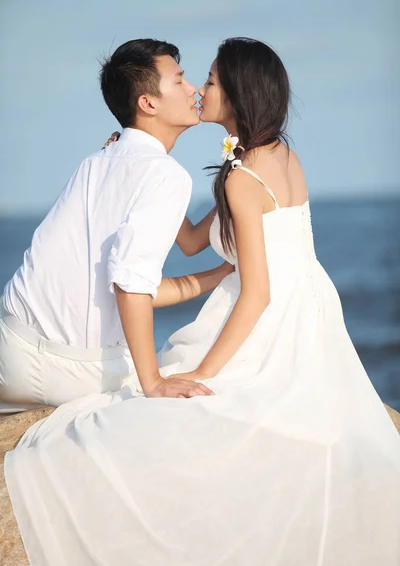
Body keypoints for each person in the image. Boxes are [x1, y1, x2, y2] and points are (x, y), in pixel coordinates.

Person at [5, 37, 400, 565]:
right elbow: (188, 248)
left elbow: (251, 290)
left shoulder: (228, 174)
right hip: (307, 308)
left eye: (208, 81)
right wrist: (133, 176)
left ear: (236, 93)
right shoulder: (275, 154)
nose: (198, 90)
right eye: (190, 79)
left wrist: (205, 376)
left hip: (260, 314)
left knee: (177, 408)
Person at [0, 38, 234, 413]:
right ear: (147, 103)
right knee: (211, 389)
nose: (193, 90)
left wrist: (224, 267)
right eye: (180, 80)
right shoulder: (163, 175)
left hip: (8, 343)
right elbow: (131, 284)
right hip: (64, 367)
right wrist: (153, 382)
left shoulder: (98, 159)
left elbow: (189, 242)